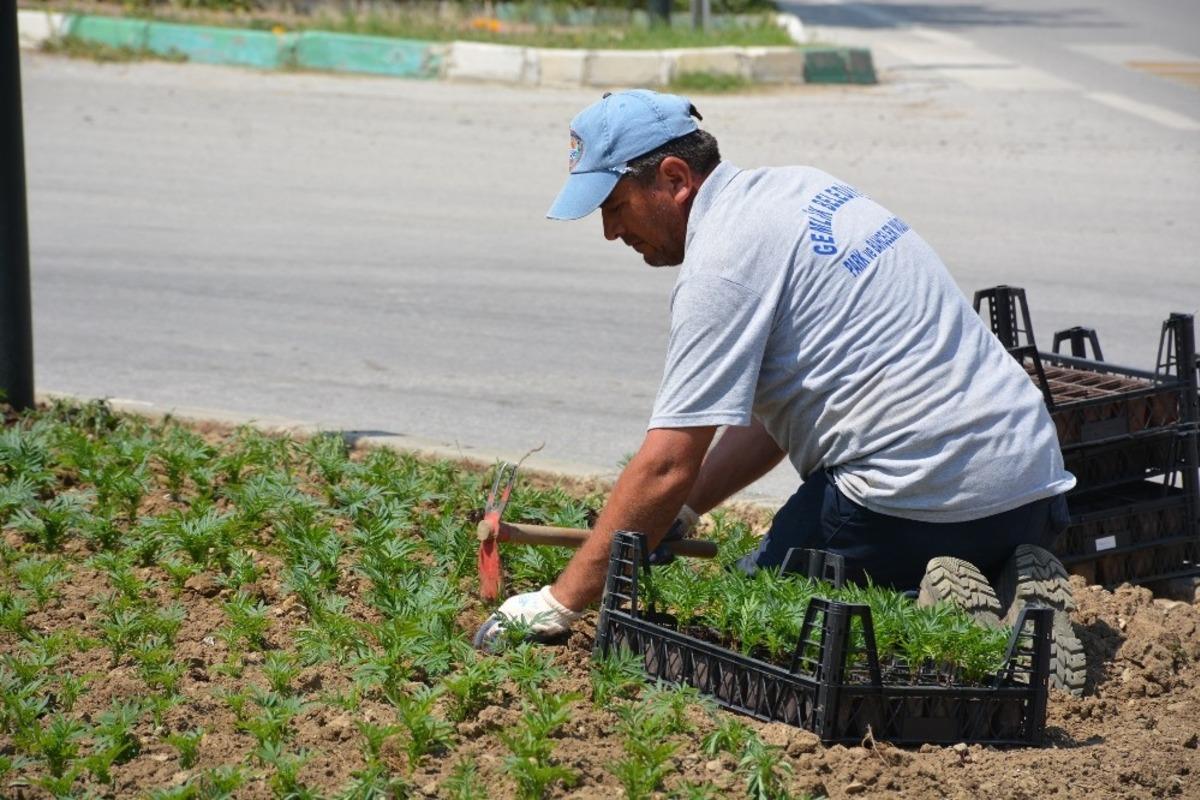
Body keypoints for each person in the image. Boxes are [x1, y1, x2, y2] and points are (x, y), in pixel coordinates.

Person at [475, 89, 1084, 693]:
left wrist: (560, 603)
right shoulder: (804, 189)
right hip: (1032, 492)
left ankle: (943, 618)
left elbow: (665, 464)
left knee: (756, 610)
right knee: (842, 541)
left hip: (911, 506)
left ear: (675, 177)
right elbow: (779, 413)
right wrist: (683, 513)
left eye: (615, 205)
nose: (611, 232)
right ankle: (1002, 577)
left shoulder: (721, 269)